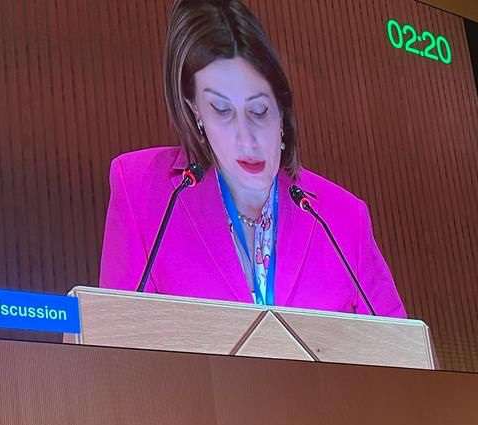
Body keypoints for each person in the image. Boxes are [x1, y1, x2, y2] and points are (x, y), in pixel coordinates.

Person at [99, 0, 405, 317]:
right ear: (195, 111)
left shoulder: (344, 218)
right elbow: (114, 332)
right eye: (222, 110)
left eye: (259, 110)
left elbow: (400, 343)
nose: (246, 138)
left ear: (281, 109)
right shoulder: (140, 189)